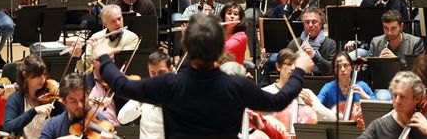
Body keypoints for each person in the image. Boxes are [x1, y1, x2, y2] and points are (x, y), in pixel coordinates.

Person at [97, 13, 314, 138]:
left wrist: (105, 59)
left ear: (186, 47)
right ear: (222, 50)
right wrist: (300, 69)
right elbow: (278, 101)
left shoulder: (168, 85)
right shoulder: (237, 85)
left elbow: (122, 85)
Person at [263, 48, 336, 122]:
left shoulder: (306, 93)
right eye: (288, 64)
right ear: (278, 66)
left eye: (296, 65)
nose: (292, 68)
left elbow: (332, 118)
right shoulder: (266, 92)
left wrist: (312, 106)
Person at [3, 55, 65, 138]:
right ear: (25, 75)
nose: (43, 79)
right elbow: (8, 127)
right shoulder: (15, 99)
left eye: (44, 75)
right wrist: (33, 111)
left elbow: (66, 122)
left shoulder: (51, 97)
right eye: (38, 75)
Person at [118, 51, 174, 139]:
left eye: (161, 72)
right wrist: (140, 100)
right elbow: (122, 119)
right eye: (153, 73)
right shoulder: (144, 90)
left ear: (171, 70)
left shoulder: (178, 93)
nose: (157, 78)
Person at [40, 73, 112, 139]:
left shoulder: (102, 121)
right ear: (64, 101)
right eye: (73, 101)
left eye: (83, 99)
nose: (80, 105)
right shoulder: (53, 125)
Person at [358, 71, 427, 139]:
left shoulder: (425, 126)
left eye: (402, 97)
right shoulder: (378, 126)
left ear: (417, 99)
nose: (397, 101)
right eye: (395, 95)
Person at [74, 4, 139, 72]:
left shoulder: (132, 37)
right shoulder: (96, 37)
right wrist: (78, 56)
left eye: (119, 19)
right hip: (97, 79)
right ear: (105, 24)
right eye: (113, 21)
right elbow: (84, 68)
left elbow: (121, 64)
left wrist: (97, 49)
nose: (118, 23)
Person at [287, 7, 336, 76]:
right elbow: (286, 68)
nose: (310, 25)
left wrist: (314, 55)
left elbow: (332, 69)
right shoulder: (294, 43)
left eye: (314, 22)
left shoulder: (330, 44)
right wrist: (297, 58)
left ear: (321, 24)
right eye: (307, 22)